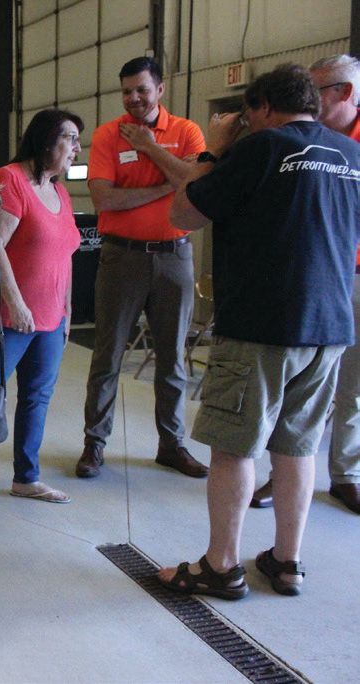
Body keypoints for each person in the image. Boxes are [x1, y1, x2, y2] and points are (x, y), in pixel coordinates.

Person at [158, 64, 360, 599]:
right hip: (332, 326)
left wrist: (214, 152)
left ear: (265, 108)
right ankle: (287, 561)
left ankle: (220, 566)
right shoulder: (352, 155)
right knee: (297, 449)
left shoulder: (259, 149)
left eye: (248, 113)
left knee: (233, 448)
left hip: (261, 325)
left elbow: (183, 213)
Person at [76, 56, 209, 480]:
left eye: (142, 90)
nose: (133, 99)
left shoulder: (187, 131)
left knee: (171, 360)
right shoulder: (107, 136)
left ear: (160, 90)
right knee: (108, 354)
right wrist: (167, 186)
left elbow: (195, 181)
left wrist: (150, 147)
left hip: (175, 257)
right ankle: (94, 445)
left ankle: (172, 446)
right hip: (121, 257)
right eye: (127, 91)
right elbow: (105, 200)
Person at [250, 54, 360, 514]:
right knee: (294, 382)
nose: (309, 103)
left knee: (352, 383)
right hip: (310, 276)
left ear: (345, 93)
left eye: (318, 92)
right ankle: (284, 472)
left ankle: (346, 474)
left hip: (350, 274)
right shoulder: (297, 141)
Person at [0, 109, 84, 504]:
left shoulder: (59, 190)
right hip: (10, 319)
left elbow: (67, 254)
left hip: (50, 319)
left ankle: (26, 477)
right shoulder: (9, 179)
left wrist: (68, 309)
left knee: (37, 398)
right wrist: (16, 303)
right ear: (45, 140)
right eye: (70, 139)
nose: (76, 149)